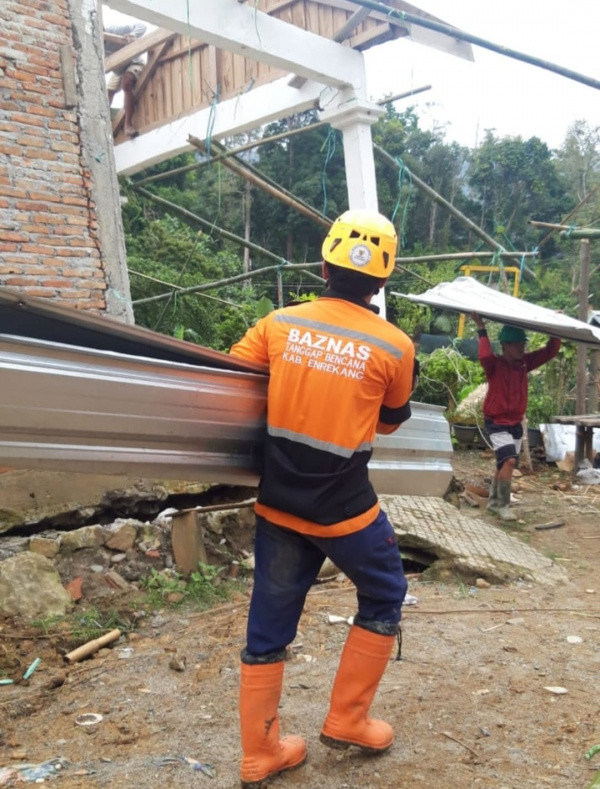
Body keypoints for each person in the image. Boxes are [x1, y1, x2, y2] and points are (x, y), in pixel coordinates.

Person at [230, 209, 417, 788]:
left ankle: (261, 754)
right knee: (385, 590)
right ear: (383, 282)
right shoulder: (395, 345)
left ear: (322, 263)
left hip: (279, 504)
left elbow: (232, 385)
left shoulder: (279, 323)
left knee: (269, 624)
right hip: (344, 508)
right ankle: (348, 718)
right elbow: (389, 424)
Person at [471, 315, 561, 521]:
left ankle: (494, 503)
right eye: (519, 344)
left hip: (515, 423)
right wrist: (481, 327)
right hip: (497, 423)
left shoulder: (524, 363)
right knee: (510, 461)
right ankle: (501, 505)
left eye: (523, 344)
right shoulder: (494, 364)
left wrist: (554, 330)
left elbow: (550, 351)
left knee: (503, 464)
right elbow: (484, 356)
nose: (522, 347)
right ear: (506, 345)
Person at [103, 22, 147, 138]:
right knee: (107, 93)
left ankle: (128, 125)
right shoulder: (94, 43)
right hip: (118, 68)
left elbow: (142, 26)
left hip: (133, 62)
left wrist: (133, 35)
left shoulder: (113, 30)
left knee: (126, 83)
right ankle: (104, 126)